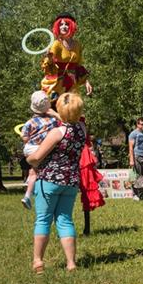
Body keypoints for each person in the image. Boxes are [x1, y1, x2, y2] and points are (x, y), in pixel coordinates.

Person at [26, 92, 86, 273]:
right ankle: (71, 263)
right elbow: (70, 120)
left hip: (49, 180)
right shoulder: (82, 129)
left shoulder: (56, 132)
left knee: (43, 219)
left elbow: (37, 157)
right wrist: (57, 114)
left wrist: (28, 159)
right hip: (71, 181)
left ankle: (38, 261)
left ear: (61, 109)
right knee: (65, 220)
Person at [19, 90, 60, 209]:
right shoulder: (53, 121)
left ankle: (27, 194)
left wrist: (29, 139)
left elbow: (24, 137)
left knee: (33, 171)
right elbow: (64, 124)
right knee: (38, 171)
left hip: (29, 148)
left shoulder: (29, 122)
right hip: (43, 149)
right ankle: (33, 189)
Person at [40, 13, 93, 102]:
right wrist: (49, 58)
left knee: (73, 107)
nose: (63, 27)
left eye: (67, 24)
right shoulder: (56, 44)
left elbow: (78, 66)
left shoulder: (77, 45)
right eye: (61, 24)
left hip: (72, 84)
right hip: (58, 84)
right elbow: (48, 67)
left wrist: (86, 82)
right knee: (56, 107)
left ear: (72, 26)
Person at [128, 118, 143, 201]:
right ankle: (135, 194)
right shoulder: (133, 134)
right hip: (136, 156)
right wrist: (131, 160)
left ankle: (142, 194)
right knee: (138, 175)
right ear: (137, 124)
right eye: (141, 124)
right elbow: (130, 148)